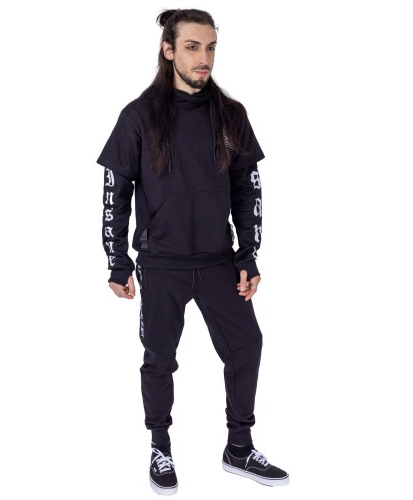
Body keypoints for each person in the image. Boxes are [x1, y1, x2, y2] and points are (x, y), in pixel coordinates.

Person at [96, 8, 289, 495]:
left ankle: (239, 447)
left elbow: (247, 188)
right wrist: (117, 259)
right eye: (192, 47)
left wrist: (248, 253)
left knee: (247, 346)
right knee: (160, 358)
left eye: (210, 48)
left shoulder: (231, 115)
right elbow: (116, 192)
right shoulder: (138, 116)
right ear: (168, 50)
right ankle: (160, 446)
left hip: (218, 260)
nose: (204, 58)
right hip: (161, 263)